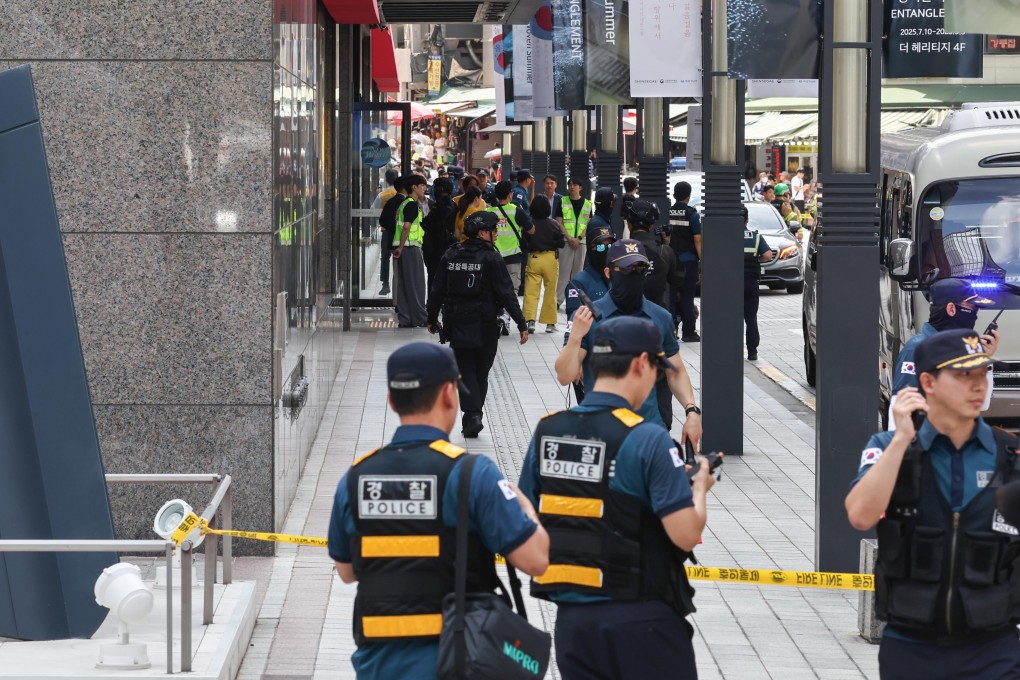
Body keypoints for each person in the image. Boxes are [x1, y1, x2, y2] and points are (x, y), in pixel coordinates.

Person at [327, 342, 549, 680]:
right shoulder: (472, 474)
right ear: (449, 394)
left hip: (377, 666)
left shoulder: (355, 478)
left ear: (391, 401)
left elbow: (346, 572)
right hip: (457, 661)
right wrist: (525, 508)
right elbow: (536, 561)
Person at [520, 316, 714, 680]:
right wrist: (699, 487)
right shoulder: (648, 438)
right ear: (642, 363)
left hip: (573, 625)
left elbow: (525, 518)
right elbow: (685, 534)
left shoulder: (549, 430)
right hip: (643, 620)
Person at [845, 329, 1020, 680]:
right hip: (911, 647)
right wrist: (902, 442)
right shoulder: (888, 446)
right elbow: (861, 515)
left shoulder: (1009, 454)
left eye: (982, 373)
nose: (978, 385)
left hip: (994, 648)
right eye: (962, 375)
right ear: (928, 381)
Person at [556, 239, 703, 443]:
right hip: (603, 436)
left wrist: (692, 411)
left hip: (649, 434)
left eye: (640, 268)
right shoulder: (588, 318)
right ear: (609, 273)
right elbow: (565, 376)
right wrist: (575, 337)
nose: (634, 274)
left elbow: (675, 371)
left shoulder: (659, 317)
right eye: (626, 268)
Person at [427, 211, 530, 436]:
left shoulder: (451, 254)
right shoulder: (492, 258)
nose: (496, 235)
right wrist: (521, 323)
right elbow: (506, 293)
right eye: (493, 230)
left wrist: (431, 317)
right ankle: (473, 414)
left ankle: (472, 414)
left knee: (466, 370)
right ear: (482, 232)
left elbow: (437, 289)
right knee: (481, 371)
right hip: (485, 325)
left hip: (457, 323)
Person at [889, 278, 999, 426]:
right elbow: (899, 412)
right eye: (972, 308)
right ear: (951, 309)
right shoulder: (917, 349)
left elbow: (981, 404)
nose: (975, 314)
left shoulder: (962, 349)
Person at [563, 225, 616, 404]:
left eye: (611, 247)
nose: (607, 251)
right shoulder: (578, 284)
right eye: (601, 247)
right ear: (591, 249)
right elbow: (572, 323)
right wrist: (574, 360)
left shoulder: (618, 277)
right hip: (589, 361)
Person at [625, 199, 678, 314]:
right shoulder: (665, 251)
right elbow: (677, 281)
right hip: (657, 319)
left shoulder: (617, 251)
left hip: (626, 319)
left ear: (629, 225)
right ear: (651, 226)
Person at [523, 195, 565, 334]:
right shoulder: (553, 224)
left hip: (534, 258)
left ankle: (530, 321)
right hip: (550, 259)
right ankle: (550, 324)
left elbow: (524, 242)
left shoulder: (530, 223)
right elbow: (561, 243)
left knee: (531, 291)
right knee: (550, 291)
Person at [393, 175, 429, 328]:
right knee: (417, 284)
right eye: (422, 186)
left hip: (403, 249)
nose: (424, 189)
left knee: (404, 284)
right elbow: (407, 227)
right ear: (414, 187)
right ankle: (420, 318)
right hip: (410, 248)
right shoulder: (412, 205)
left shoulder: (404, 204)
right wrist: (401, 247)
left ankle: (406, 318)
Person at [487, 180, 535, 294]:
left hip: (494, 257)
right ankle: (508, 312)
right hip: (513, 258)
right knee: (511, 292)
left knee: (495, 290)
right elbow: (532, 230)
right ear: (510, 194)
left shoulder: (488, 212)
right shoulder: (516, 210)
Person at [741, 205, 774, 361]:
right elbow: (768, 255)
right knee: (751, 317)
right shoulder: (755, 237)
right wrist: (757, 259)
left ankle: (733, 347)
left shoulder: (728, 236)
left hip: (732, 284)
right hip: (751, 282)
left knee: (733, 317)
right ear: (747, 219)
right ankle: (752, 351)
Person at [670, 182, 702, 342]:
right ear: (688, 196)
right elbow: (697, 240)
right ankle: (689, 332)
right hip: (688, 261)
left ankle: (672, 330)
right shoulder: (692, 214)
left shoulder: (667, 213)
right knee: (687, 296)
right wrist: (702, 261)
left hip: (670, 261)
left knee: (671, 295)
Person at [556, 178, 595, 308]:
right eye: (570, 185)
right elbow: (559, 222)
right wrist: (570, 238)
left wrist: (578, 238)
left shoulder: (588, 204)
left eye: (575, 185)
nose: (572, 187)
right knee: (563, 272)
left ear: (580, 187)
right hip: (566, 241)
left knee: (578, 273)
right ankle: (558, 300)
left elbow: (588, 224)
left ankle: (575, 300)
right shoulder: (562, 201)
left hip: (581, 242)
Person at [421, 177, 455, 297]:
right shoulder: (444, 204)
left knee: (435, 276)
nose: (433, 190)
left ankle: (434, 302)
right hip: (438, 246)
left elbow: (431, 222)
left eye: (436, 188)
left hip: (439, 247)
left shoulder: (445, 205)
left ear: (441, 189)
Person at [375, 171, 404, 296]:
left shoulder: (383, 195)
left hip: (386, 231)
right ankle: (401, 284)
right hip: (401, 231)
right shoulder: (403, 195)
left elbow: (373, 210)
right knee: (401, 258)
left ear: (386, 180)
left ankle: (385, 284)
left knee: (385, 258)